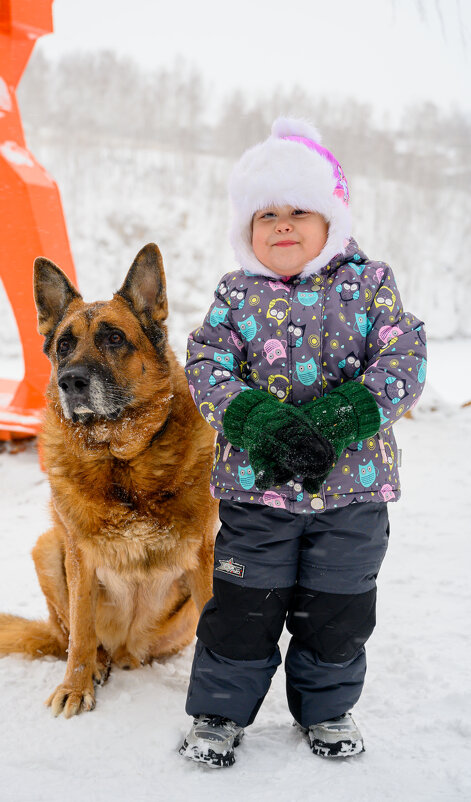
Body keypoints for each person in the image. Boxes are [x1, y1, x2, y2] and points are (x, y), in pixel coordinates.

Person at [178, 117, 427, 766]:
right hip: (256, 497)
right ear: (245, 229)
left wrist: (344, 416)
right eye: (266, 214)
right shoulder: (234, 295)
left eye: (299, 210)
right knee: (240, 609)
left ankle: (326, 708)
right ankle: (217, 714)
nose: (282, 224)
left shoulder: (368, 285)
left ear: (330, 221)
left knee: (337, 613)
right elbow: (205, 366)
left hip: (352, 497)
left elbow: (403, 360)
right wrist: (257, 422)